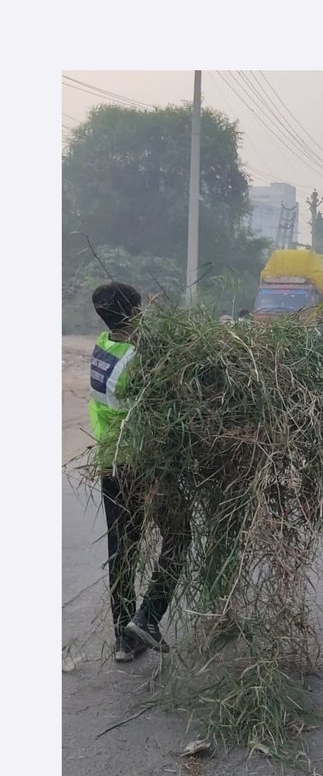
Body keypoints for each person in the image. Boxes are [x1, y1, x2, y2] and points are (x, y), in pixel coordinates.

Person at [89, 282, 188, 662]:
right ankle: (147, 618)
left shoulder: (104, 345)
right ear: (135, 312)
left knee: (122, 551)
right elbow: (172, 402)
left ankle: (123, 640)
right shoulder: (140, 358)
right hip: (146, 462)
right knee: (179, 536)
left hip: (110, 461)